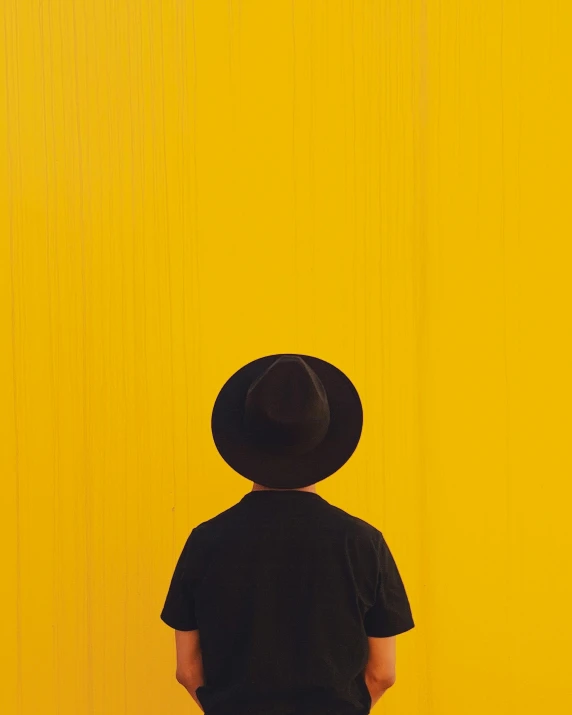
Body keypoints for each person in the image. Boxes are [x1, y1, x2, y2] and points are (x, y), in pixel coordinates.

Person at [161, 354, 415, 714]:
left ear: (244, 437)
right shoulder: (363, 543)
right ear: (324, 437)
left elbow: (187, 669)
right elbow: (383, 673)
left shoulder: (205, 541)